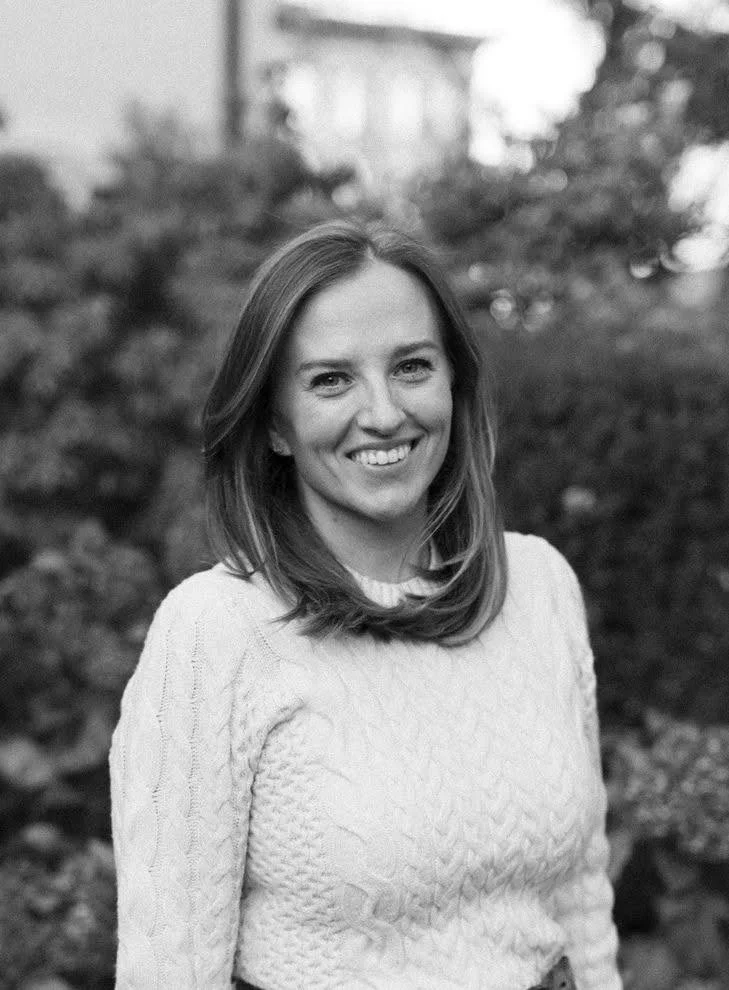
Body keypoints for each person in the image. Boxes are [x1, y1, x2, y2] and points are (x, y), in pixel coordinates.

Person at [109, 219, 622, 990]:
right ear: (275, 423)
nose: (383, 413)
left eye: (411, 367)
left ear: (454, 382)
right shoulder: (216, 633)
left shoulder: (540, 585)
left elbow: (581, 894)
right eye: (330, 380)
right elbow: (168, 970)